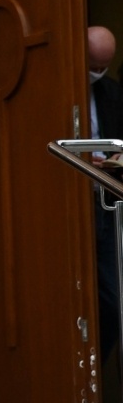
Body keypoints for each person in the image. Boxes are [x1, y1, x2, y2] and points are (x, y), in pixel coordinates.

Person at [87, 26, 123, 378]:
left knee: (115, 300)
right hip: (65, 203)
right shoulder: (54, 86)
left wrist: (107, 164)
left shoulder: (112, 93)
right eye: (92, 65)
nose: (96, 73)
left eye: (103, 66)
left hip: (106, 202)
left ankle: (91, 378)